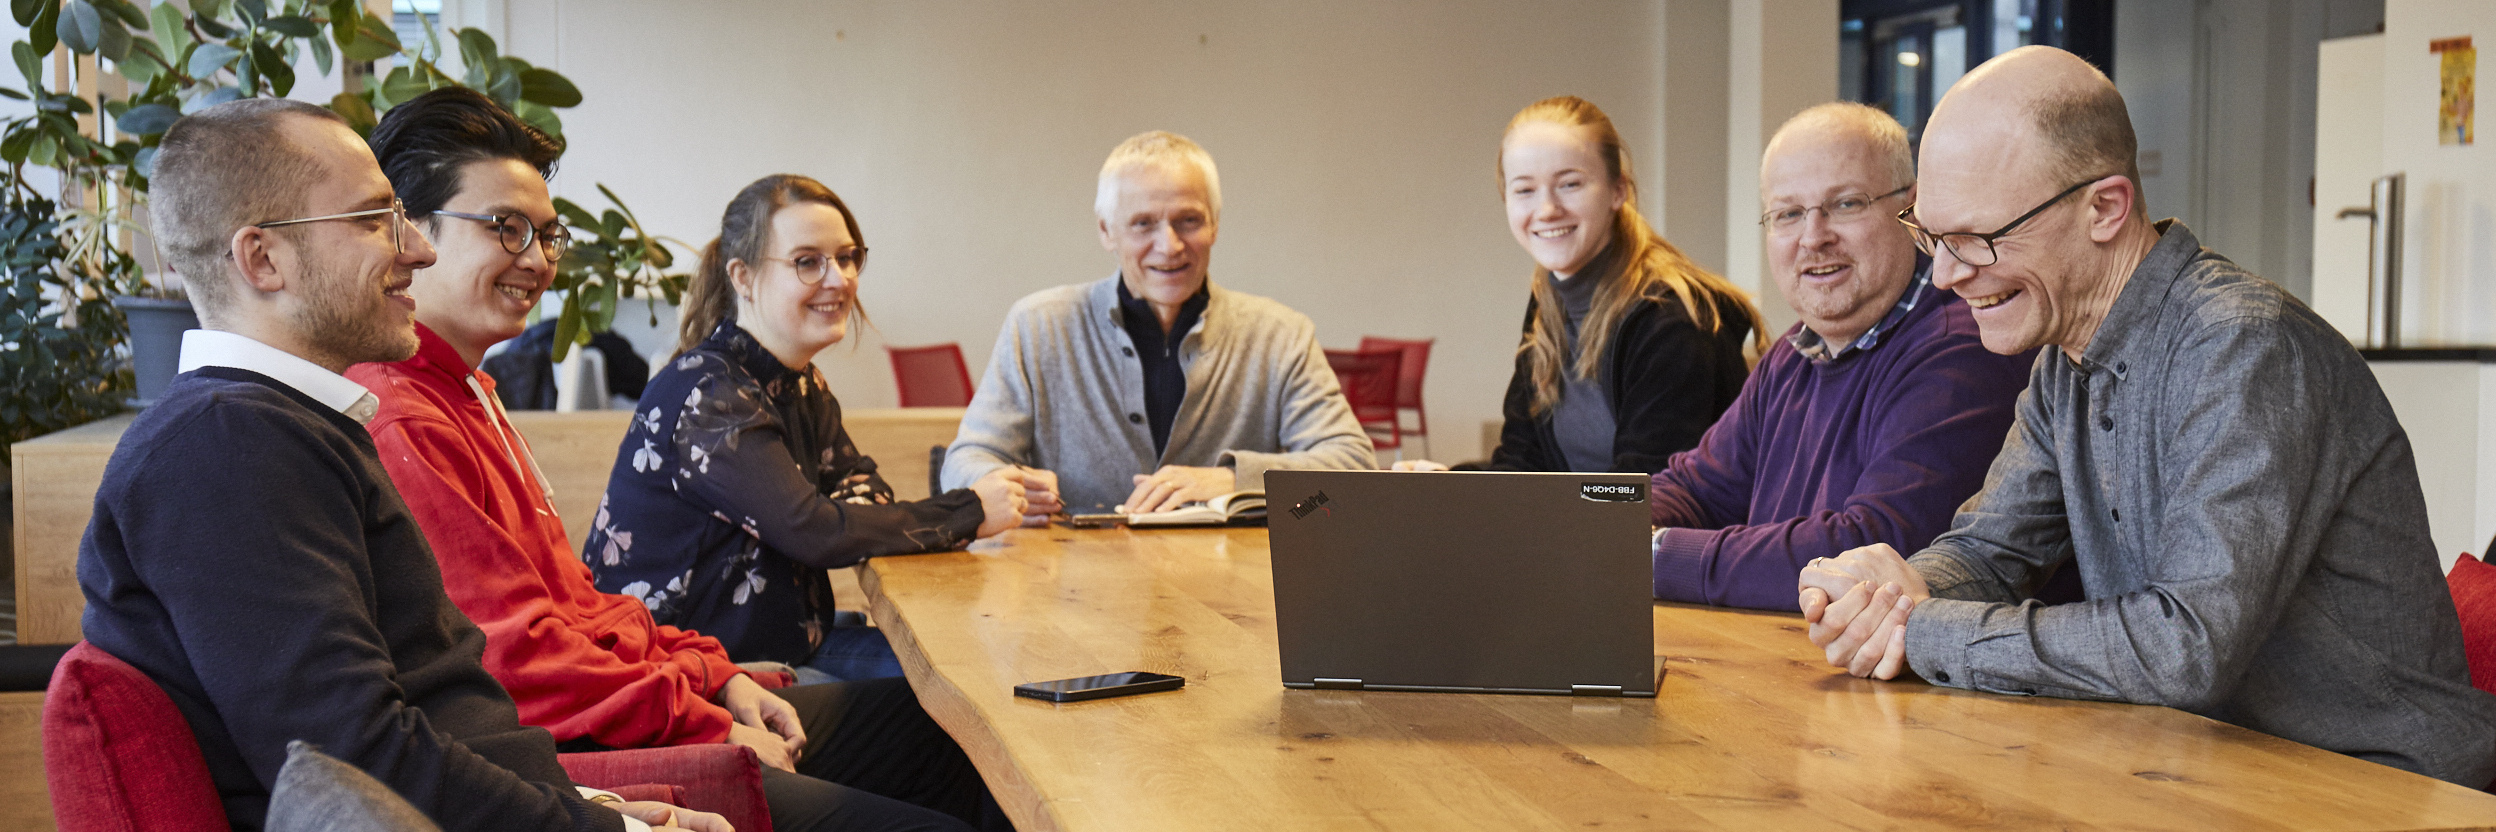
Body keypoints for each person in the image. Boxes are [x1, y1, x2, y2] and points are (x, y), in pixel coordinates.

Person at [1798, 46, 2496, 786]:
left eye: (1978, 239)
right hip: (2217, 769)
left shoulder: (2246, 346)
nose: (1944, 273)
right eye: (1930, 236)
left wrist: (1922, 626)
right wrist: (1891, 592)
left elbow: (2184, 648)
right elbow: (1987, 553)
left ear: (2105, 208)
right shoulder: (2063, 359)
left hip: (2385, 786)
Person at [350, 89, 1007, 831]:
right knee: (955, 733)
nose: (537, 260)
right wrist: (703, 701)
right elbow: (515, 663)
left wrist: (713, 678)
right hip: (594, 746)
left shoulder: (472, 393)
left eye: (545, 234)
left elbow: (579, 607)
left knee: (964, 728)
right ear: (410, 233)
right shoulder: (405, 415)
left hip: (663, 678)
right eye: (506, 229)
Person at [78, 98, 722, 831]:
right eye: (374, 220)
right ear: (263, 259)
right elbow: (353, 764)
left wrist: (595, 808)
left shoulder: (292, 427)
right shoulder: (224, 450)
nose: (418, 250)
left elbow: (435, 714)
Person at [585, 173, 1038, 686]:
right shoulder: (708, 396)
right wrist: (970, 510)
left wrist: (843, 518)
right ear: (743, 277)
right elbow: (815, 531)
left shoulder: (798, 382)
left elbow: (862, 489)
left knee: (977, 668)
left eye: (847, 257)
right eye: (808, 262)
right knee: (962, 694)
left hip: (786, 645)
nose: (839, 278)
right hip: (692, 679)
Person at [1642, 102, 2036, 610]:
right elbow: (1698, 488)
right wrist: (1607, 522)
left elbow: (1871, 551)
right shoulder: (1795, 352)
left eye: (1846, 204)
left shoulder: (1962, 348)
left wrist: (1654, 554)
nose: (1813, 237)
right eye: (1787, 214)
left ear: (1914, 211)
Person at [941, 130, 1374, 512]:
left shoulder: (1281, 336)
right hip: (1070, 588)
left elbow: (1353, 466)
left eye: (1188, 221)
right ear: (1107, 232)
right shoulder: (1038, 327)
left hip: (1229, 591)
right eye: (1142, 224)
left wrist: (1230, 480)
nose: (1168, 246)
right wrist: (1005, 486)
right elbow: (965, 461)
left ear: (1215, 226)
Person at [1468, 96, 1765, 473]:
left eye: (1570, 184)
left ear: (1617, 191)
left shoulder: (1671, 320)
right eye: (1525, 190)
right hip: (1596, 527)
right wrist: (1446, 486)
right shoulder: (1550, 298)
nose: (1546, 209)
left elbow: (1644, 497)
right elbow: (1524, 464)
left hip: (1659, 530)